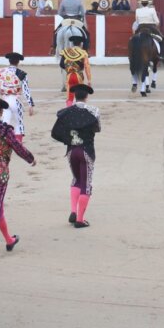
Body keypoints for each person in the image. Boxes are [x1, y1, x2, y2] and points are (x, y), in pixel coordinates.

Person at [0, 97, 36, 259]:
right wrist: (30, 159)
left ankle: (9, 240)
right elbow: (17, 147)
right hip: (0, 171)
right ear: (2, 112)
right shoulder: (4, 129)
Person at [51, 84, 101, 228]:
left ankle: (73, 211)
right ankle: (80, 219)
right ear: (86, 96)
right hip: (87, 151)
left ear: (74, 96)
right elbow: (97, 128)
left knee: (76, 179)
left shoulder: (65, 112)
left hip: (72, 151)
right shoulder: (94, 111)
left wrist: (68, 138)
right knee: (86, 184)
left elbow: (56, 132)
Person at [0, 52, 35, 140]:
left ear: (9, 61)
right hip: (16, 100)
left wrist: (4, 93)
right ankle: (18, 144)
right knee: (18, 124)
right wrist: (30, 105)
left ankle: (3, 143)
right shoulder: (21, 74)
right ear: (18, 62)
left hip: (4, 100)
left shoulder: (1, 72)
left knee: (5, 122)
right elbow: (26, 90)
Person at [60, 35, 92, 107]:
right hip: (79, 76)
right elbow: (87, 66)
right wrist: (89, 80)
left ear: (72, 43)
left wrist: (69, 67)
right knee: (80, 96)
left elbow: (61, 64)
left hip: (69, 76)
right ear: (81, 44)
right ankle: (80, 110)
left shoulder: (66, 52)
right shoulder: (83, 53)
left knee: (70, 96)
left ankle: (69, 110)